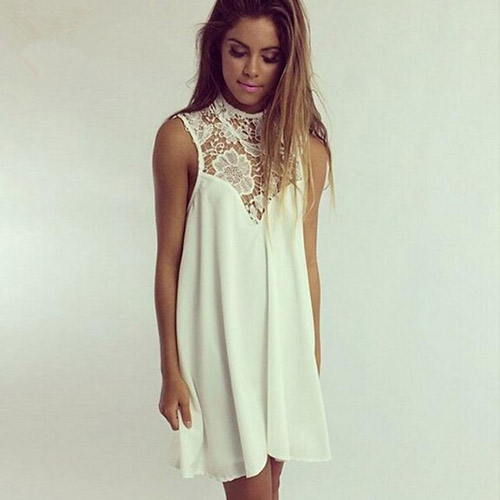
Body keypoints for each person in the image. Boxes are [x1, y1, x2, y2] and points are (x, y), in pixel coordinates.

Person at [152, 0, 335, 498]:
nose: (251, 69)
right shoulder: (182, 140)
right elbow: (168, 261)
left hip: (283, 349)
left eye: (269, 57)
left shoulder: (308, 151)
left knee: (269, 489)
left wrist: (309, 358)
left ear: (288, 61)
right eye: (238, 51)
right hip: (220, 347)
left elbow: (307, 262)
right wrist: (171, 370)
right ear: (216, 48)